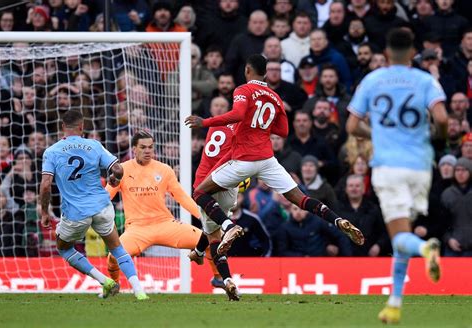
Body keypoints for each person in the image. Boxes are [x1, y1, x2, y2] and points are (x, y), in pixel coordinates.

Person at [185, 54, 364, 257]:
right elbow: (284, 131)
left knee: (199, 193)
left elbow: (238, 114)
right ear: (265, 73)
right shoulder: (275, 96)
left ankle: (228, 225)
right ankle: (336, 220)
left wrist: (205, 122)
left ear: (247, 70)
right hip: (267, 160)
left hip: (244, 159)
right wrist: (261, 126)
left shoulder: (243, 90)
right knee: (300, 198)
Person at [345, 28, 448, 324]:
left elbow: (352, 126)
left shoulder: (373, 80)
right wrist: (438, 137)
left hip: (389, 166)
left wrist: (375, 132)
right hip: (420, 166)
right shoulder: (425, 80)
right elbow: (441, 118)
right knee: (403, 231)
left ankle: (425, 247)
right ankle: (394, 303)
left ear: (387, 54)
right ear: (413, 52)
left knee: (401, 237)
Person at [39, 110, 148, 300]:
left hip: (75, 212)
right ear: (82, 127)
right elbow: (118, 169)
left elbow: (46, 186)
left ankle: (105, 281)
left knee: (64, 248)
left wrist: (44, 212)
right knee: (117, 248)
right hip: (102, 207)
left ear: (63, 127)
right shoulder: (94, 146)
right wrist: (114, 180)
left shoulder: (52, 151)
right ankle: (139, 292)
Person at [104, 130, 224, 294]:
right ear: (134, 149)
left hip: (165, 224)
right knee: (113, 257)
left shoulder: (165, 170)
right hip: (137, 229)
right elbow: (105, 198)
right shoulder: (122, 170)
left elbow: (182, 197)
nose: (147, 151)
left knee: (210, 240)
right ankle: (114, 285)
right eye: (143, 147)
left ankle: (218, 278)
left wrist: (205, 217)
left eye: (150, 147)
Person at [189, 105, 240, 300]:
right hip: (230, 185)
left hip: (207, 181)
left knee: (214, 235)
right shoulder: (239, 128)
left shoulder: (212, 125)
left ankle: (225, 280)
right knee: (211, 227)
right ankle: (198, 252)